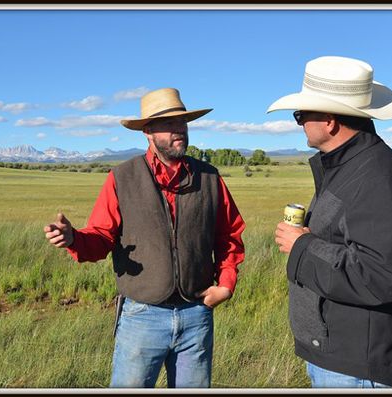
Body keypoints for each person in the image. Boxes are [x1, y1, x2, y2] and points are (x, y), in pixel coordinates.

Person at [44, 87, 246, 388]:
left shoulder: (210, 177)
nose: (179, 130)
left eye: (183, 122)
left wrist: (226, 285)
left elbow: (229, 235)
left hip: (196, 314)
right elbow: (101, 237)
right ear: (148, 131)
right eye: (169, 124)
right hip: (142, 316)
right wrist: (74, 238)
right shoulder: (122, 178)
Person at [267, 56, 392, 388]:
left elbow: (382, 277)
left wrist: (302, 246)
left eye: (301, 115)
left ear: (329, 121)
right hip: (341, 358)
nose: (299, 124)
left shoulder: (381, 177)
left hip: (358, 369)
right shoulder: (349, 169)